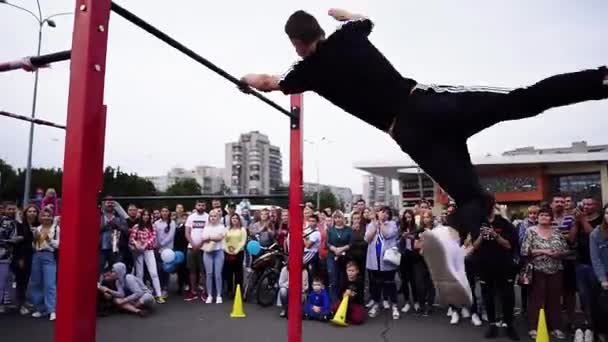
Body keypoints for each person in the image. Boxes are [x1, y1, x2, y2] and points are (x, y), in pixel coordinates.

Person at [239, 8, 608, 305]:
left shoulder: (306, 70)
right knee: (520, 100)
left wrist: (244, 80)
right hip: (428, 107)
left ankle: (450, 234)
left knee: (474, 198)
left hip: (407, 134)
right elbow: (363, 19)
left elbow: (269, 81)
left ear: (296, 43)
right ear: (319, 31)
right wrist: (339, 13)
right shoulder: (349, 36)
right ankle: (599, 80)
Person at [472, 202, 519, 340]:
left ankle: (509, 325)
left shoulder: (504, 223)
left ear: (493, 208)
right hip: (484, 266)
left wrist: (495, 235)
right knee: (488, 296)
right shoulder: (477, 224)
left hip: (504, 266)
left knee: (508, 296)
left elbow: (510, 245)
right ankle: (492, 325)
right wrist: (481, 236)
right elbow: (473, 246)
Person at [521, 206, 568, 340]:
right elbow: (525, 251)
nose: (543, 217)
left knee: (554, 300)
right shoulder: (531, 231)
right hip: (537, 270)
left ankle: (555, 327)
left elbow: (565, 250)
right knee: (536, 300)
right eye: (541, 215)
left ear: (551, 218)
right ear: (537, 217)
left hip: (556, 269)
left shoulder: (557, 232)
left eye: (547, 215)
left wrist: (559, 253)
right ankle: (533, 328)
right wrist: (544, 251)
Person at [364, 206, 400, 320]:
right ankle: (375, 304)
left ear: (389, 215)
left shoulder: (392, 224)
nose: (383, 214)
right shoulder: (370, 225)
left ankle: (394, 305)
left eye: (386, 213)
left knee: (390, 283)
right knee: (375, 283)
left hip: (387, 260)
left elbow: (387, 235)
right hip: (374, 260)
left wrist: (380, 224)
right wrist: (374, 225)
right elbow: (367, 239)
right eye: (381, 212)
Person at [29, 208, 60, 321]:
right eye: (44, 215)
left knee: (49, 283)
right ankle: (40, 308)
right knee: (36, 282)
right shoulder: (37, 228)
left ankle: (51, 309)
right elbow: (34, 245)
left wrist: (47, 238)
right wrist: (36, 238)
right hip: (37, 255)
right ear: (40, 217)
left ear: (52, 217)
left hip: (49, 256)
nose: (46, 218)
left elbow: (59, 245)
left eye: (48, 216)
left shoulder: (56, 228)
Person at [129, 209, 164, 304]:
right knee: (139, 274)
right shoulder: (136, 226)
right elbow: (132, 238)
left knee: (154, 273)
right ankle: (141, 294)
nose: (146, 216)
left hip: (148, 250)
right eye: (144, 215)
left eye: (148, 215)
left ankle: (159, 295)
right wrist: (137, 244)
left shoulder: (152, 226)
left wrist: (144, 245)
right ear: (141, 216)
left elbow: (153, 238)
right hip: (138, 252)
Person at [13, 204, 37, 315]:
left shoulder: (36, 224)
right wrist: (20, 258)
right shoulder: (21, 224)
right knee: (21, 280)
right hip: (22, 255)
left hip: (32, 255)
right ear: (25, 212)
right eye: (30, 211)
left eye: (34, 211)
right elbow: (20, 243)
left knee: (26, 280)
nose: (32, 213)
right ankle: (20, 304)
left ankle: (23, 301)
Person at [590, 204, 608, 342]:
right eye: (607, 213)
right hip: (604, 275)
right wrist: (603, 279)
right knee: (602, 309)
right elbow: (595, 259)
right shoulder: (596, 233)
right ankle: (601, 333)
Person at [184, 200, 209, 301]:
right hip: (191, 248)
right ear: (196, 206)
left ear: (205, 206)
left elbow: (208, 232)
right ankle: (193, 291)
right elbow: (187, 232)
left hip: (204, 248)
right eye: (199, 205)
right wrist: (193, 243)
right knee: (192, 271)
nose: (201, 207)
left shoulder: (208, 217)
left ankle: (205, 292)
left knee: (204, 271)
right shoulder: (191, 217)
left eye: (203, 205)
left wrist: (200, 243)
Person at [326, 210, 352, 302]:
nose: (337, 219)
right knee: (333, 279)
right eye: (336, 218)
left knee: (343, 280)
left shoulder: (348, 229)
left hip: (345, 257)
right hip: (332, 256)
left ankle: (343, 301)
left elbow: (351, 243)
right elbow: (327, 243)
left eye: (339, 217)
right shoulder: (330, 230)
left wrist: (342, 249)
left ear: (343, 218)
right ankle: (333, 302)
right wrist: (334, 249)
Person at [201, 208, 226, 304]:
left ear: (218, 217)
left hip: (218, 251)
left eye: (215, 216)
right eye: (211, 216)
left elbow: (220, 237)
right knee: (209, 274)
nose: (213, 218)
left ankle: (219, 295)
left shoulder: (221, 227)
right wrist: (212, 238)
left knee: (218, 274)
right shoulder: (206, 227)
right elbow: (203, 238)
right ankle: (210, 295)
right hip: (207, 252)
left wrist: (210, 237)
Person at [0, 202, 21, 314]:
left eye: (14, 209)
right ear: (4, 209)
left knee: (6, 280)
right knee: (2, 282)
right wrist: (12, 240)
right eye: (9, 209)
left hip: (8, 256)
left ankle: (4, 301)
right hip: (3, 256)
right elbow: (11, 238)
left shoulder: (14, 222)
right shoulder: (3, 221)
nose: (12, 211)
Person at [330, 261, 365, 325]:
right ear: (346, 271)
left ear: (357, 271)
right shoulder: (343, 280)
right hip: (344, 302)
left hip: (355, 304)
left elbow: (361, 299)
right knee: (333, 309)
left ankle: (346, 316)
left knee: (358, 319)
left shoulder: (359, 282)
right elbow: (339, 295)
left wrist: (353, 295)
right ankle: (345, 315)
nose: (350, 273)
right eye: (349, 270)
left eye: (353, 271)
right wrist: (344, 295)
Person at [154, 207, 176, 299]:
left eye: (166, 211)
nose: (164, 213)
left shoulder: (172, 223)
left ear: (169, 212)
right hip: (158, 250)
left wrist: (161, 244)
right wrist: (156, 244)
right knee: (158, 269)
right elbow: (154, 234)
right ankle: (159, 288)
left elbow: (170, 236)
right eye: (162, 211)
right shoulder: (156, 223)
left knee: (166, 269)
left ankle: (165, 288)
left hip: (168, 250)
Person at [223, 213, 247, 297]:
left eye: (236, 218)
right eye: (233, 218)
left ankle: (238, 291)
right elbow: (224, 241)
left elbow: (242, 242)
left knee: (238, 273)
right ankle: (229, 290)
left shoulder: (242, 229)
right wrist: (227, 250)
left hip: (239, 253)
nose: (234, 220)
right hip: (228, 253)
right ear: (230, 220)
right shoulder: (227, 229)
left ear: (239, 220)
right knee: (229, 273)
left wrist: (236, 251)